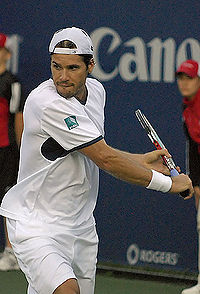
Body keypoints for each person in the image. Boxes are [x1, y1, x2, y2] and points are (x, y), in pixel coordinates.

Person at [0, 27, 193, 294]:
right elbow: (105, 159)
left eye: (72, 68)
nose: (62, 77)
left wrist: (140, 161)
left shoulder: (97, 92)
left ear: (90, 65)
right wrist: (169, 184)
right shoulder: (47, 103)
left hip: (81, 227)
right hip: (36, 224)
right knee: (68, 290)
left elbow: (92, 150)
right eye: (56, 67)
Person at [0, 33, 25, 271]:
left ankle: (11, 253)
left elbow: (18, 116)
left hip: (7, 150)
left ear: (7, 54)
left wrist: (21, 149)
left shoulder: (12, 83)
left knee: (9, 200)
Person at [176, 59, 200, 294]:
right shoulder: (187, 106)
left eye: (189, 78)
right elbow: (193, 146)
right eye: (181, 78)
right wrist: (196, 183)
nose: (184, 83)